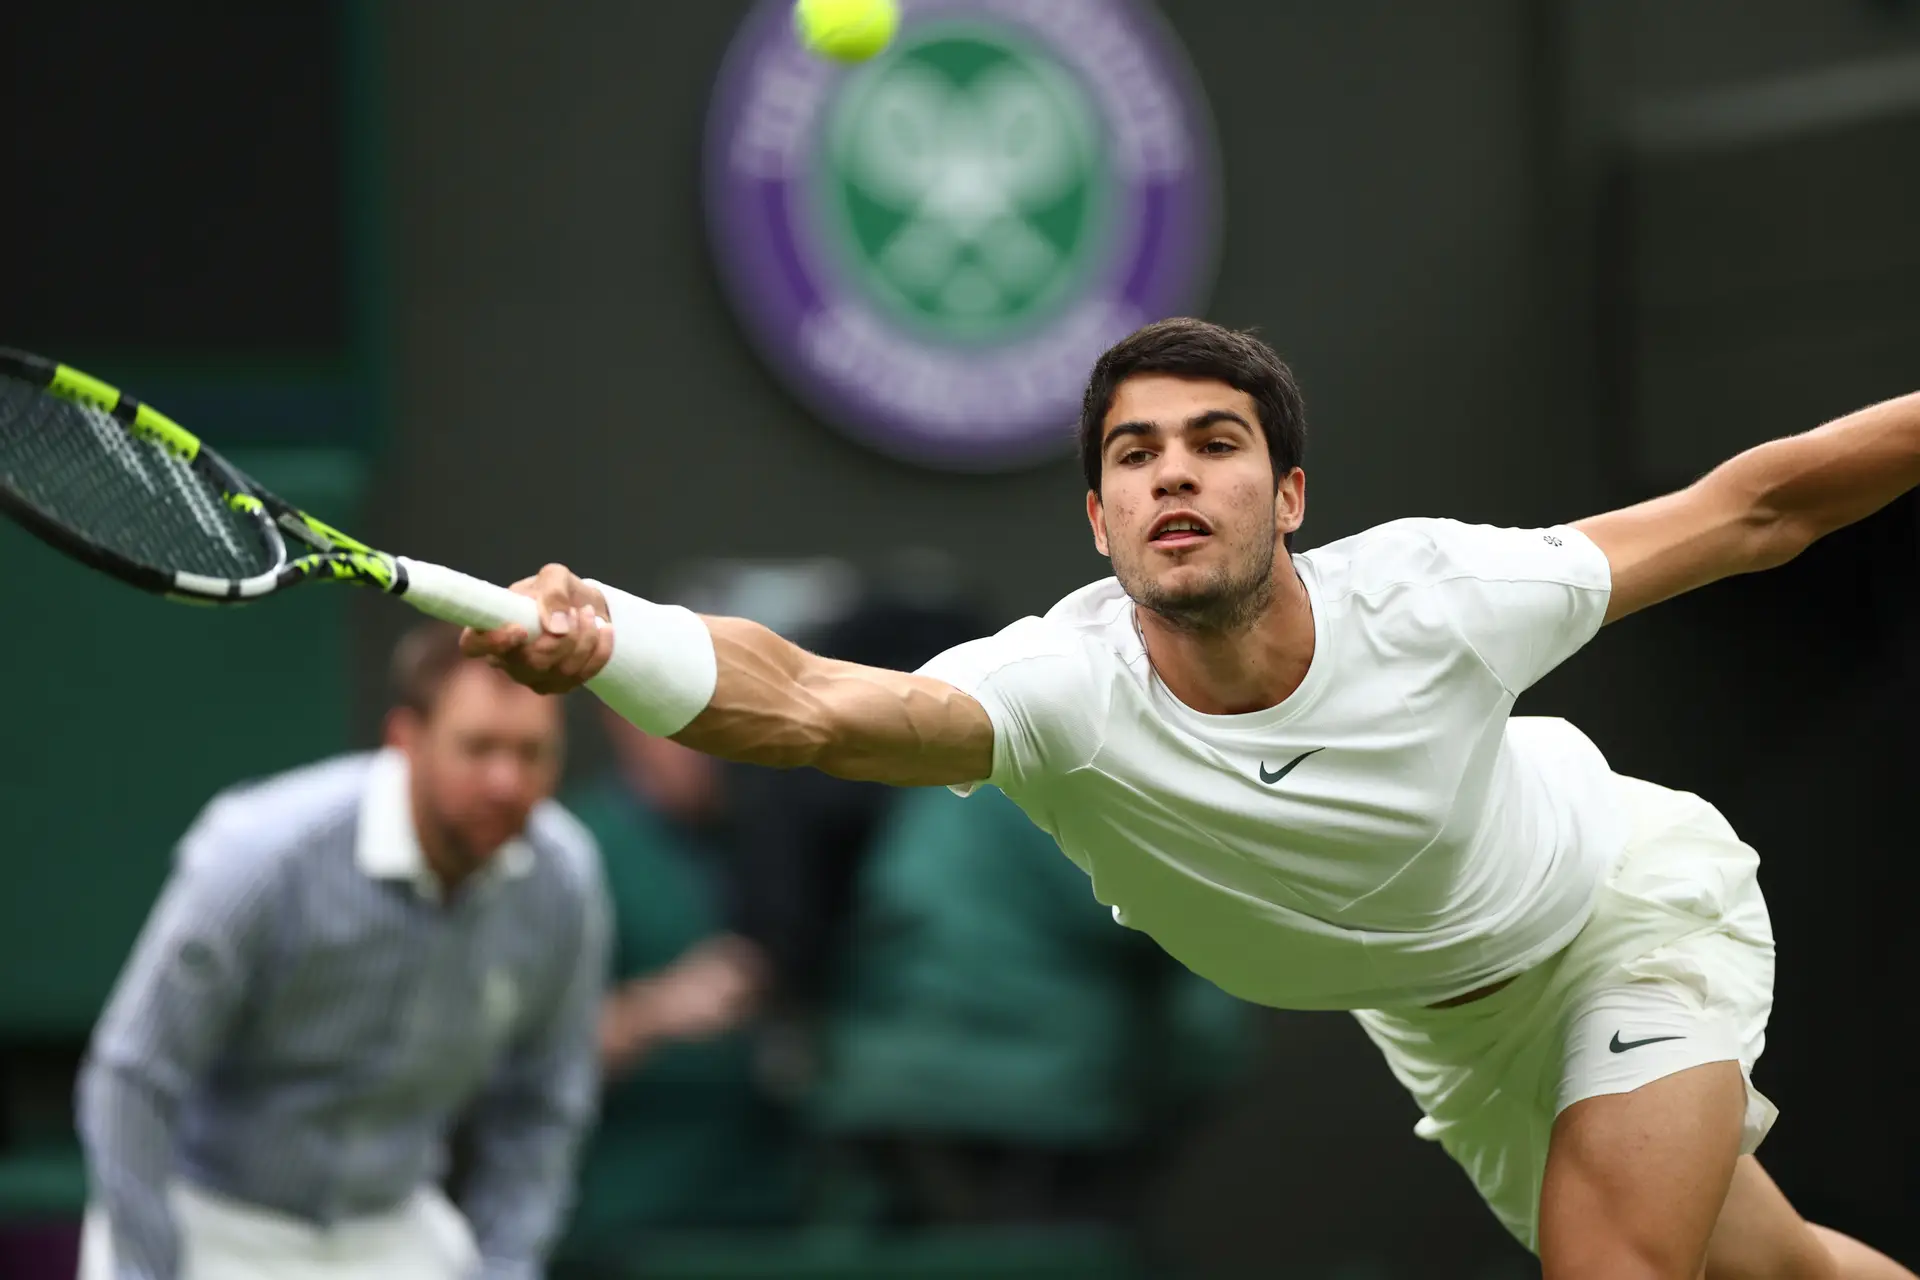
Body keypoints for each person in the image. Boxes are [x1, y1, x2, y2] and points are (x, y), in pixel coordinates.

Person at [463, 317, 1919, 1278]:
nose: (1175, 475)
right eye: (1133, 453)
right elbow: (811, 707)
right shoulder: (1060, 689)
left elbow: (1757, 508)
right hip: (1454, 1035)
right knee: (1779, 1269)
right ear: (1098, 522)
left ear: (1288, 496)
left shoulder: (1443, 595)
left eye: (1216, 443)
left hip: (1617, 915)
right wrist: (612, 642)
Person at [77, 621, 608, 1280]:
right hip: (210, 1223)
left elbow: (546, 1103)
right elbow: (134, 1074)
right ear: (405, 741)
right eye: (478, 748)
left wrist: (504, 1265)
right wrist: (141, 1265)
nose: (505, 782)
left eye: (532, 753)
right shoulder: (260, 854)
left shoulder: (565, 880)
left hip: (395, 1232)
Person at [814, 783, 1251, 1234]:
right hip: (1028, 1086)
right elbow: (1142, 911)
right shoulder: (1070, 768)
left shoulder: (957, 763)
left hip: (885, 1066)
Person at [556, 706, 798, 1264]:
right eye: (681, 721)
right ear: (625, 722)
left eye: (720, 724)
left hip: (767, 1214)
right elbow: (513, 1060)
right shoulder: (577, 849)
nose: (705, 746)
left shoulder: (761, 835)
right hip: (627, 1221)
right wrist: (656, 1011)